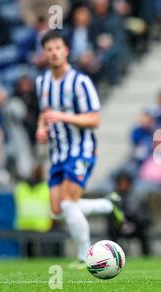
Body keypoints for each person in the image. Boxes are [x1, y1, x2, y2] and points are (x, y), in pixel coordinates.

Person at [35, 30, 124, 269]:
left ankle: (85, 256)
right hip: (57, 154)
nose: (53, 52)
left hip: (81, 150)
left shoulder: (80, 82)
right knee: (56, 211)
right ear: (45, 53)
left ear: (66, 51)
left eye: (57, 48)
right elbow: (45, 114)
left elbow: (94, 120)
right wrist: (41, 129)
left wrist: (63, 116)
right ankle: (107, 205)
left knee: (67, 203)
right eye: (49, 49)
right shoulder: (41, 82)